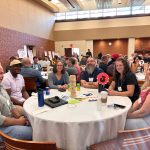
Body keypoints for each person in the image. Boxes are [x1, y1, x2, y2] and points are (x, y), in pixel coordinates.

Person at [0, 65, 32, 141]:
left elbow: (10, 104)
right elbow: (1, 120)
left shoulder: (1, 87)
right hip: (2, 129)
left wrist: (19, 117)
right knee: (34, 132)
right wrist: (18, 122)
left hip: (10, 120)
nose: (1, 76)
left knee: (32, 123)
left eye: (2, 73)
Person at [125, 65, 150, 130]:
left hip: (147, 120)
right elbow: (139, 100)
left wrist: (127, 116)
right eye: (149, 70)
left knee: (123, 123)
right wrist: (130, 111)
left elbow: (144, 112)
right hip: (142, 114)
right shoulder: (147, 85)